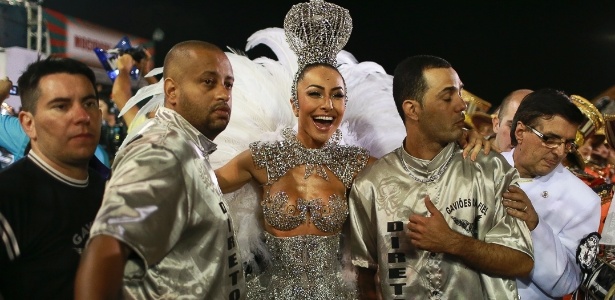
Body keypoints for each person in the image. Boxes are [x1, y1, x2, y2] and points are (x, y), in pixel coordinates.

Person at [349, 55, 534, 299]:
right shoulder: (371, 184)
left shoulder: (490, 169)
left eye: (460, 92)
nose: (462, 105)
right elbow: (366, 278)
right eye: (447, 97)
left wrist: (453, 242)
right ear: (412, 109)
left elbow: (521, 262)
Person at [74, 40, 245, 299]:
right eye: (208, 82)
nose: (223, 93)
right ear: (172, 91)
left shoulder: (186, 146)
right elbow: (106, 248)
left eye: (228, 84)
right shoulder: (163, 151)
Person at [0, 58, 105, 299]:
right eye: (61, 106)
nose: (82, 116)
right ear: (29, 124)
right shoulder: (9, 199)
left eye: (89, 103)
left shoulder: (110, 191)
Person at [500, 89, 601, 299]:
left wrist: (536, 226)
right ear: (520, 132)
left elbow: (567, 282)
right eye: (550, 139)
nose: (559, 152)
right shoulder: (483, 167)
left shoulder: (584, 200)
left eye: (568, 143)